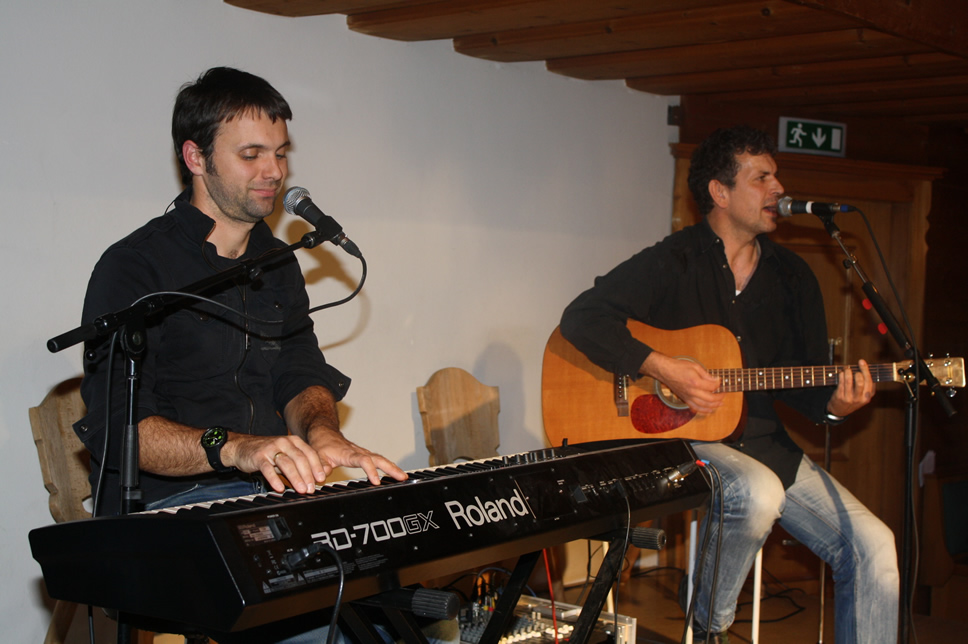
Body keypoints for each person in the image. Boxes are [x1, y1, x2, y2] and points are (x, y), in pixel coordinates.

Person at [73, 67, 445, 644]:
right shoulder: (136, 268)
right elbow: (120, 432)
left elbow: (299, 370)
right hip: (179, 508)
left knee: (409, 607)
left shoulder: (277, 260)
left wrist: (322, 433)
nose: (274, 171)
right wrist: (239, 448)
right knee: (343, 628)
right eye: (251, 155)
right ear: (196, 158)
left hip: (271, 499)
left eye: (280, 153)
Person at [559, 126, 899, 643]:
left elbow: (803, 380)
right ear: (720, 192)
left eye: (776, 176)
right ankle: (707, 624)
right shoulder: (674, 261)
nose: (778, 188)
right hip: (679, 440)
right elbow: (582, 318)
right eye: (761, 177)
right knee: (757, 491)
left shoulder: (793, 277)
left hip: (763, 444)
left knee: (875, 546)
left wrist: (837, 406)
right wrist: (661, 367)